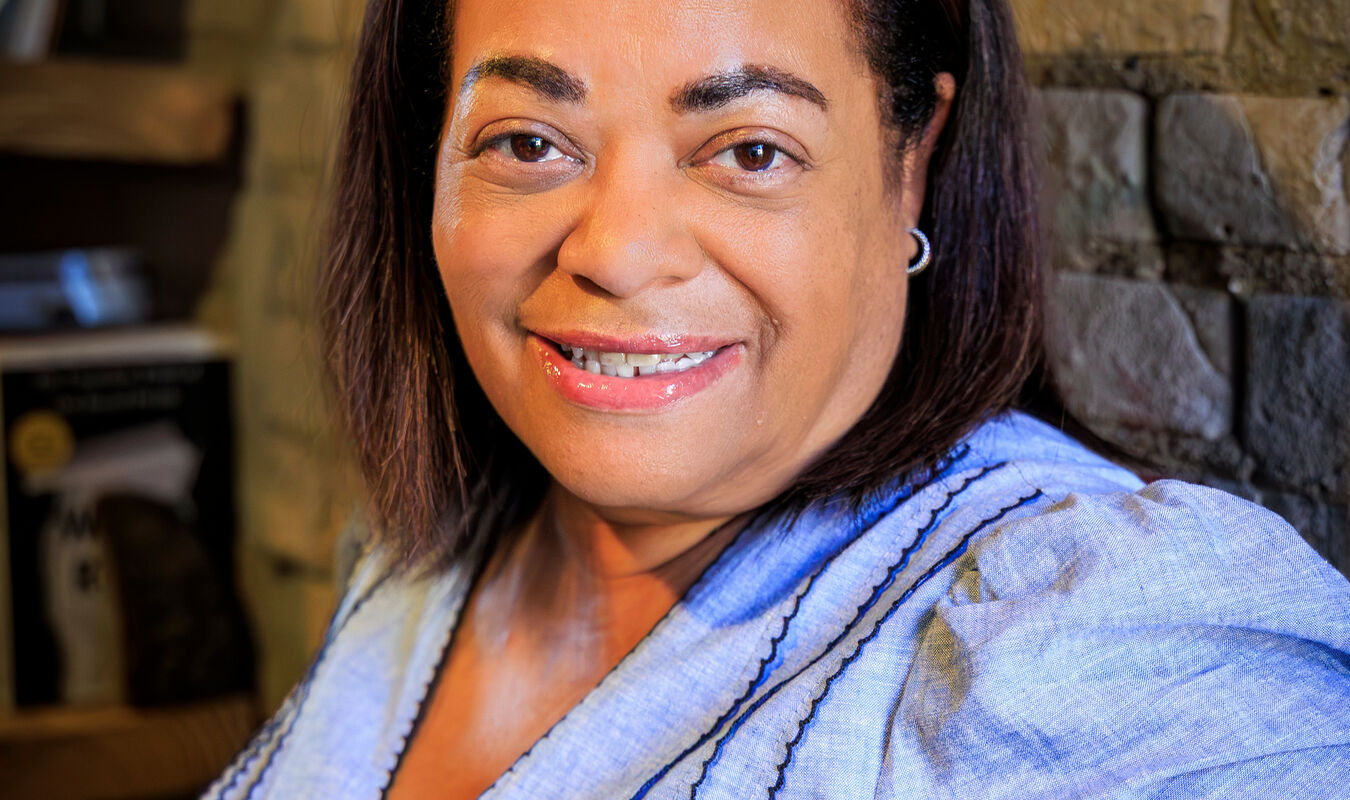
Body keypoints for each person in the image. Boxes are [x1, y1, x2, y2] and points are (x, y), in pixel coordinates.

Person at [205, 0, 1350, 797]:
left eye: (749, 151)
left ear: (912, 161)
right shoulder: (420, 556)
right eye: (528, 140)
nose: (618, 250)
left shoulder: (1089, 632)